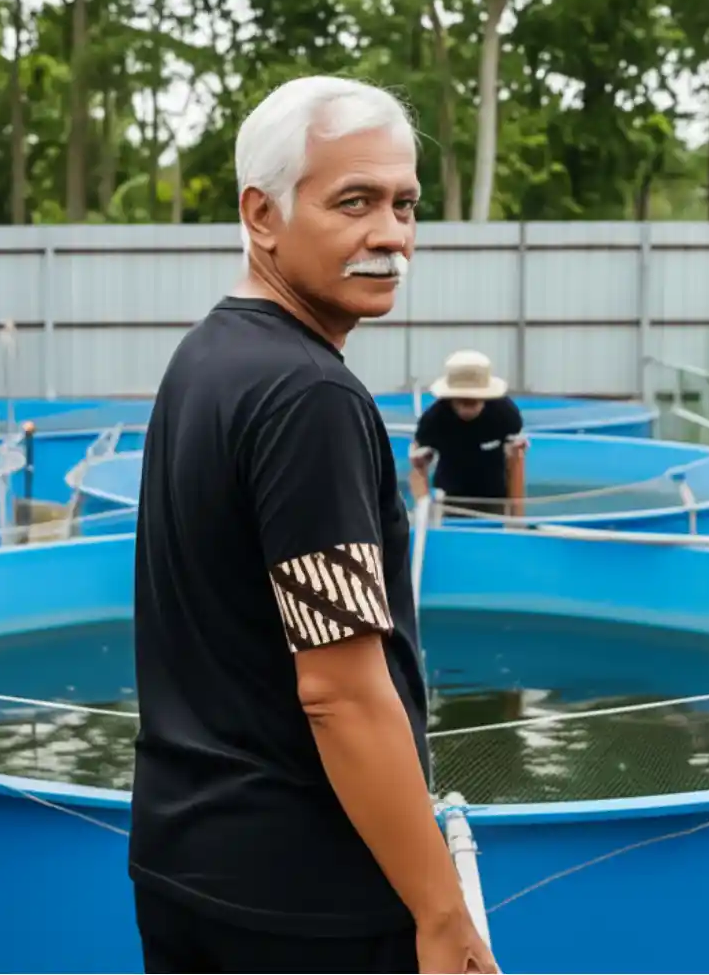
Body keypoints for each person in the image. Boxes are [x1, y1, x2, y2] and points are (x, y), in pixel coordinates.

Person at [130, 76, 497, 975]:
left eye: (405, 205)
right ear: (262, 215)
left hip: (185, 862)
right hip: (304, 899)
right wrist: (440, 911)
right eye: (354, 202)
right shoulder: (309, 396)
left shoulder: (207, 357)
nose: (391, 236)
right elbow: (338, 688)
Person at [408, 350, 527, 518]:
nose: (467, 408)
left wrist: (517, 518)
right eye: (461, 401)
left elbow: (516, 462)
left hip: (495, 499)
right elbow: (418, 469)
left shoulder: (506, 415)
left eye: (473, 401)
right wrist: (425, 514)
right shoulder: (433, 420)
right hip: (449, 500)